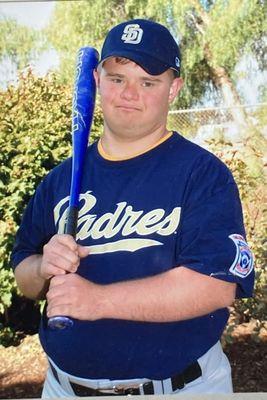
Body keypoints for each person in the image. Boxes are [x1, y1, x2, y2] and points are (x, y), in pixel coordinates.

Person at [11, 19, 254, 397]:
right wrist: (43, 266)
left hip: (180, 389)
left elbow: (214, 287)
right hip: (63, 388)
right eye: (117, 78)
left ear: (173, 89)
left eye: (148, 82)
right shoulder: (61, 179)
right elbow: (24, 275)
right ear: (96, 80)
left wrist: (97, 300)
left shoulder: (202, 175)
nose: (129, 93)